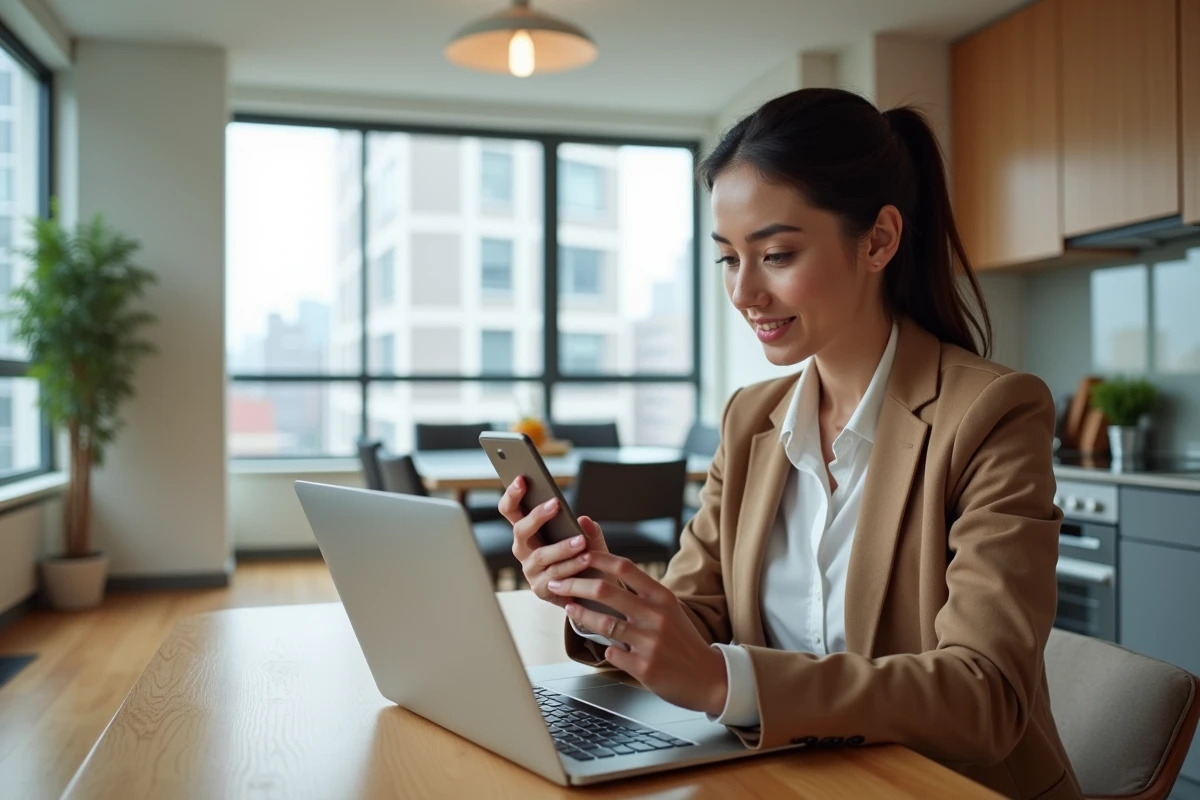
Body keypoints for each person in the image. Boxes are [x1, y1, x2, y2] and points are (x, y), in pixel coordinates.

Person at [498, 88, 1081, 800]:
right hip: (790, 777)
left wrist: (724, 681)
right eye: (728, 259)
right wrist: (597, 596)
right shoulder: (751, 420)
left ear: (878, 240)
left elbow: (983, 695)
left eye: (775, 254)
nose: (745, 292)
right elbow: (697, 614)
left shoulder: (993, 414)